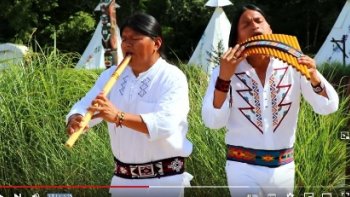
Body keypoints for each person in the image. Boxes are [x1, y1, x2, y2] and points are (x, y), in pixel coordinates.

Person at [201, 4, 339, 197]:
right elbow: (213, 121)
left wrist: (314, 77)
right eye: (246, 24)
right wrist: (224, 78)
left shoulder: (293, 65)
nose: (254, 26)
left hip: (283, 167)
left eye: (259, 21)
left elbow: (329, 106)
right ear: (238, 38)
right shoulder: (225, 71)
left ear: (270, 29)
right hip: (242, 167)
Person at [66, 12, 193, 197]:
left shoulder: (172, 77)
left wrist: (118, 116)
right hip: (122, 181)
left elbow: (166, 124)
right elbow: (85, 104)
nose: (127, 44)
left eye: (135, 38)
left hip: (164, 182)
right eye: (124, 38)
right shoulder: (110, 75)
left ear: (156, 44)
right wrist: (76, 118)